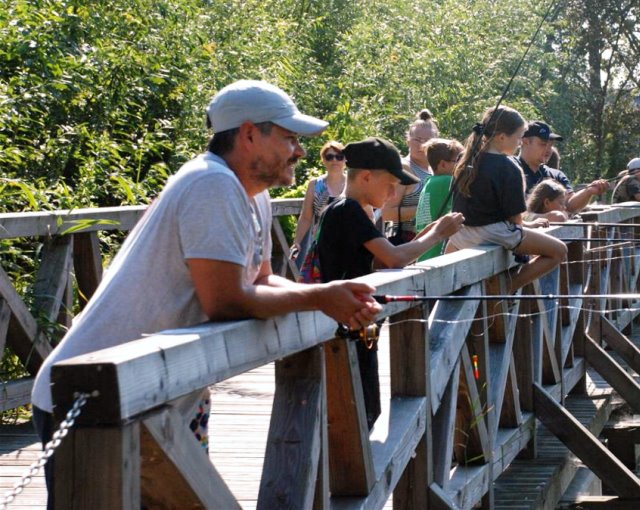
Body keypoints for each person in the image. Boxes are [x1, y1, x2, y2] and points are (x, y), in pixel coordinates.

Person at [30, 80, 381, 507]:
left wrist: (331, 293)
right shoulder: (210, 185)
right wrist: (321, 298)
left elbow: (262, 280)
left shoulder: (253, 195)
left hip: (159, 395)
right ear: (250, 133)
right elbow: (227, 300)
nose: (300, 151)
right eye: (289, 138)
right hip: (92, 400)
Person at [316, 136, 464, 428]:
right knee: (358, 414)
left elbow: (384, 261)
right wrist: (437, 235)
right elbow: (394, 259)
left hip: (357, 323)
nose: (394, 191)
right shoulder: (348, 210)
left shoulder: (358, 211)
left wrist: (428, 232)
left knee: (367, 409)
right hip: (345, 327)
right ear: (367, 177)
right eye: (390, 183)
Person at [447, 106, 567, 293]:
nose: (520, 143)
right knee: (559, 251)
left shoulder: (466, 158)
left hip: (460, 235)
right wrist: (529, 227)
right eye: (519, 138)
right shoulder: (509, 166)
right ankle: (506, 287)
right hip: (492, 234)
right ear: (502, 137)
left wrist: (530, 226)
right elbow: (515, 221)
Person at [517, 121, 608, 213]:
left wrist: (589, 191)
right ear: (525, 142)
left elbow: (569, 205)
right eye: (543, 144)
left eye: (551, 145)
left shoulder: (556, 175)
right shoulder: (511, 171)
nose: (548, 149)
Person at [382, 109, 439, 244]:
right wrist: (429, 209)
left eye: (427, 140)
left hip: (427, 241)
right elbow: (387, 214)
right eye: (417, 140)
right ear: (408, 141)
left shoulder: (433, 168)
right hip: (405, 242)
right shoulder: (403, 168)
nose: (422, 145)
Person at [290, 141, 346, 270]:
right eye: (329, 157)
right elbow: (306, 217)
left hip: (347, 242)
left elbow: (368, 214)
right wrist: (297, 242)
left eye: (339, 157)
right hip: (320, 243)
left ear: (345, 160)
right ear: (323, 160)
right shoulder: (315, 184)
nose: (335, 161)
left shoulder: (352, 184)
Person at [414, 138, 464, 261]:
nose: (463, 164)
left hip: (424, 253)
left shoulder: (429, 181)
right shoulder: (447, 181)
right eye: (459, 161)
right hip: (438, 253)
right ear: (443, 164)